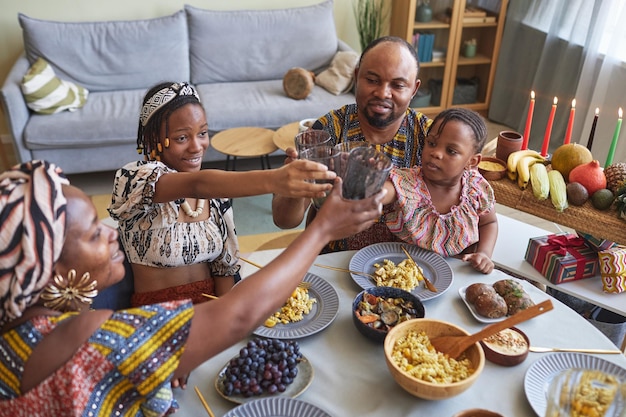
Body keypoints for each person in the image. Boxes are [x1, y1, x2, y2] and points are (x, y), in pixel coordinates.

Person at [0, 160, 384, 415]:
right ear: (45, 272)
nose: (111, 233)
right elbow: (238, 315)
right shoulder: (90, 336)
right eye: (93, 234)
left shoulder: (13, 337)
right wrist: (321, 231)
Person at [109, 81, 336, 307]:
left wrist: (228, 318)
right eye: (181, 137)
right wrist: (276, 178)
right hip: (156, 317)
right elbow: (198, 184)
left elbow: (224, 271)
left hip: (210, 311)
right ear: (152, 140)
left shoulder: (217, 197)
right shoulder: (133, 181)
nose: (197, 146)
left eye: (203, 133)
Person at [272, 36, 432, 252]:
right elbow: (284, 221)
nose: (383, 93)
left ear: (414, 89)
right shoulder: (328, 130)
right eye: (373, 80)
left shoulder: (430, 139)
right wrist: (295, 184)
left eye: (397, 85)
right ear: (357, 76)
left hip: (405, 264)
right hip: (334, 259)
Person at [381, 108, 498, 274]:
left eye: (451, 151)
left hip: (457, 272)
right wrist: (370, 190)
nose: (435, 153)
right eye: (432, 143)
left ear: (471, 161)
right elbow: (385, 191)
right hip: (404, 271)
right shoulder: (409, 183)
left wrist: (484, 254)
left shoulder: (476, 189)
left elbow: (489, 223)